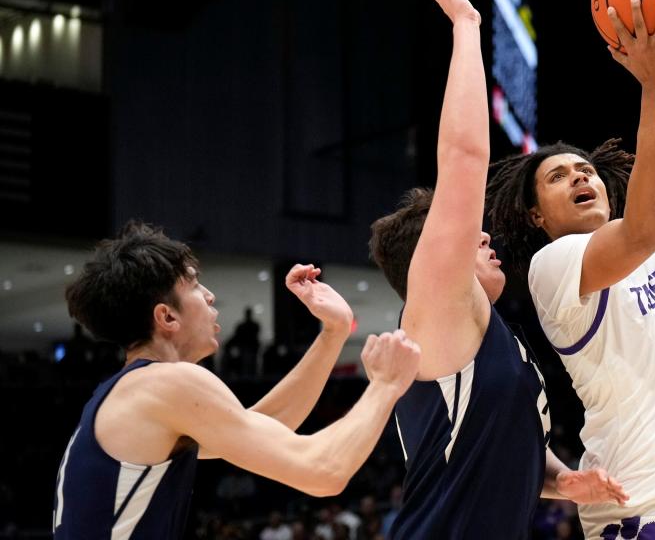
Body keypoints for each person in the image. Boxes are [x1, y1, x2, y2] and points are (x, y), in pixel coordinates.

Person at [486, 0, 655, 538]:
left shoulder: (648, 243)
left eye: (583, 169)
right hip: (642, 507)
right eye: (557, 178)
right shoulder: (555, 266)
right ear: (537, 216)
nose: (579, 176)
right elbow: (641, 230)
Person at [368, 0, 626, 539]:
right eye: (463, 233)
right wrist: (465, 27)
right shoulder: (432, 310)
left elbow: (498, 449)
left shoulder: (486, 335)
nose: (483, 234)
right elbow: (463, 158)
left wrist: (562, 481)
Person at [53, 221, 420, 539]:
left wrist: (333, 333)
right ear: (166, 317)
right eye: (195, 285)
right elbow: (323, 471)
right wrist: (384, 388)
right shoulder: (164, 385)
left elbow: (270, 425)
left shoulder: (133, 393)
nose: (210, 295)